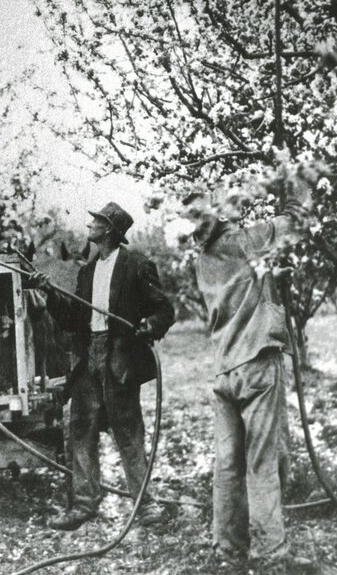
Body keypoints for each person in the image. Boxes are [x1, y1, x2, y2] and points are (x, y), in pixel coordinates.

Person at [182, 182, 307, 563]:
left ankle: (229, 548)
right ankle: (273, 552)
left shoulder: (202, 259)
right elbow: (295, 222)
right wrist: (294, 185)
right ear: (217, 214)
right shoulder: (246, 240)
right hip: (255, 365)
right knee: (261, 462)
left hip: (224, 372)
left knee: (228, 466)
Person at [33, 202, 175, 531]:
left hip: (119, 357)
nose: (90, 226)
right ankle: (84, 505)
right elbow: (73, 321)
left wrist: (149, 326)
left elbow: (164, 310)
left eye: (96, 222)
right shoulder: (87, 271)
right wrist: (50, 294)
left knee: (128, 435)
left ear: (109, 229)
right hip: (89, 359)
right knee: (80, 432)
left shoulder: (138, 265)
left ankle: (145, 507)